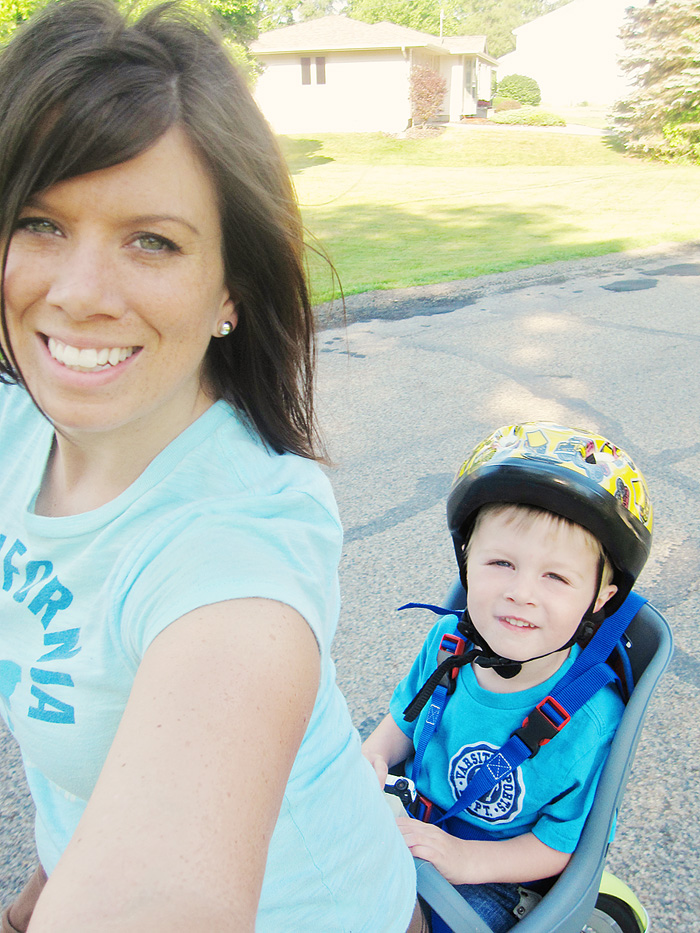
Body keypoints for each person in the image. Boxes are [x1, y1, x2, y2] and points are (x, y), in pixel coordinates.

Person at [0, 1, 416, 929]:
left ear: (231, 286)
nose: (79, 292)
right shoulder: (15, 423)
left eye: (152, 240)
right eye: (39, 222)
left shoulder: (240, 544)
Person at [362, 422, 653, 932]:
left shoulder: (588, 720)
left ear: (600, 599)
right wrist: (371, 760)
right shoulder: (448, 644)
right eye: (501, 562)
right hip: (411, 821)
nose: (521, 592)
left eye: (555, 576)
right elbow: (404, 722)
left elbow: (560, 845)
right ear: (466, 562)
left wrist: (465, 859)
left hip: (495, 873)